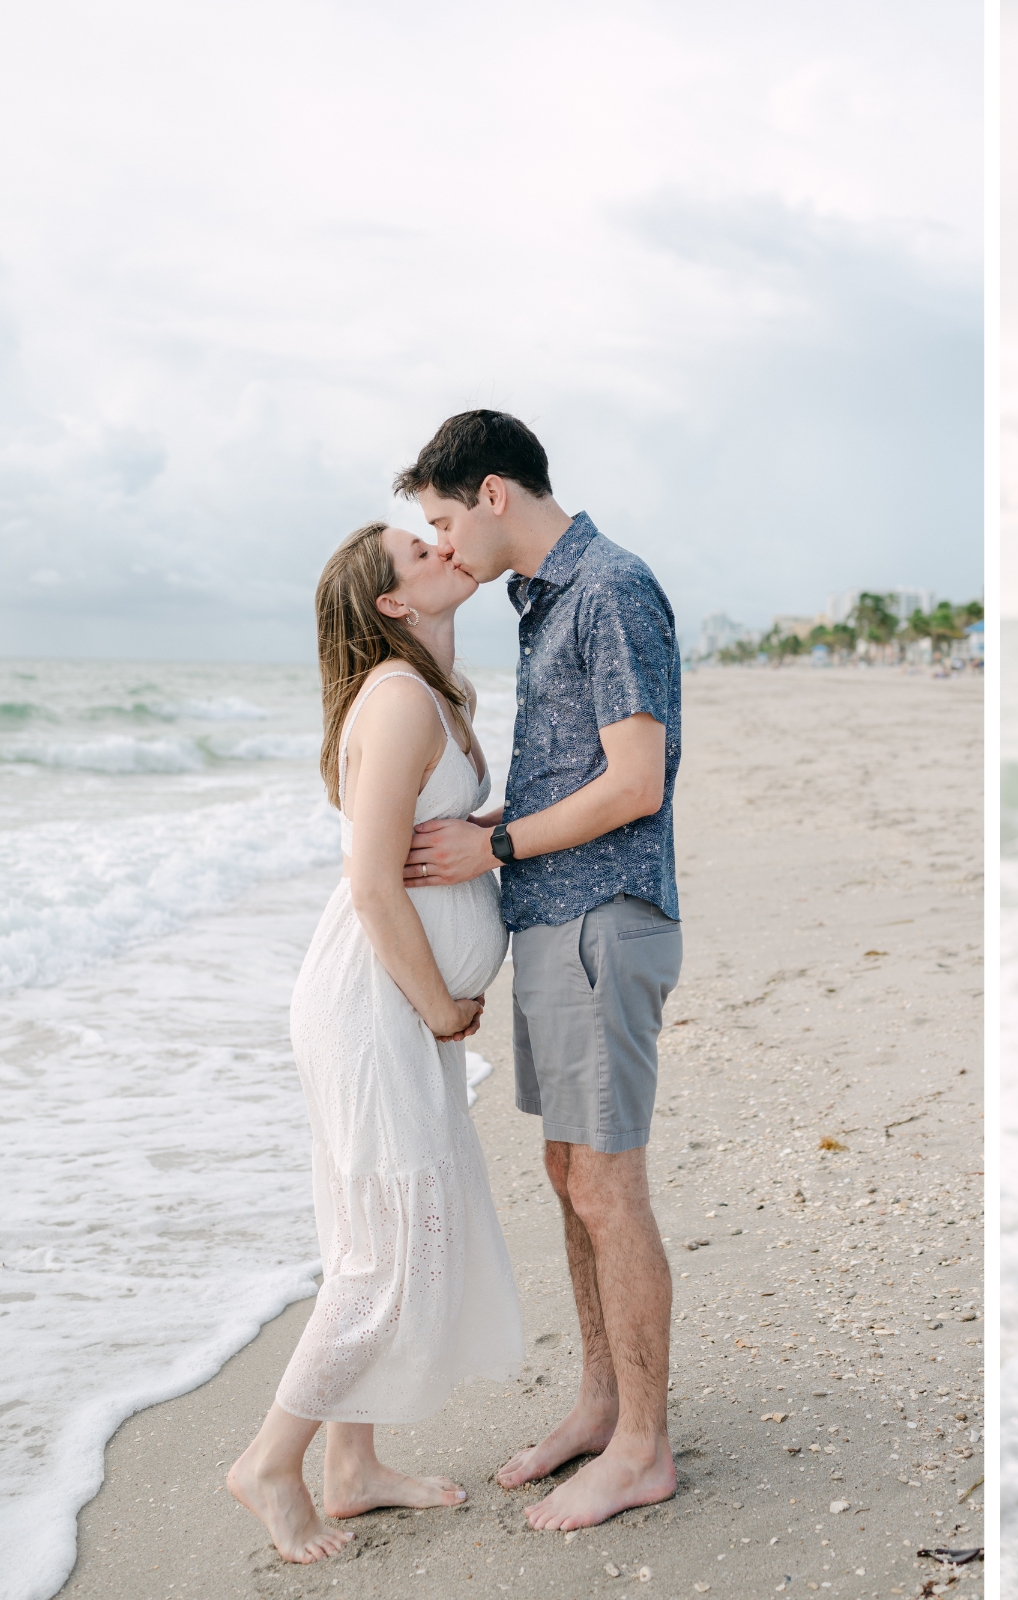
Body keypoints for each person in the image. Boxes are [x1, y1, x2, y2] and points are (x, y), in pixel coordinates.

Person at [394, 411, 684, 1533]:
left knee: (607, 1186)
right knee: (571, 1176)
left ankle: (645, 1449)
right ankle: (602, 1407)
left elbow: (636, 781)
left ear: (495, 493)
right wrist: (506, 824)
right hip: (560, 919)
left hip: (601, 923)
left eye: (442, 519)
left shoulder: (608, 586)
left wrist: (493, 845)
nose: (442, 544)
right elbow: (578, 769)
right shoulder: (543, 598)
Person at [228, 521, 520, 1564]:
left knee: (374, 1232)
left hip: (397, 1003)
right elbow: (368, 883)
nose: (446, 549)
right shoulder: (398, 700)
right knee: (389, 1250)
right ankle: (271, 1462)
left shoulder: (431, 693)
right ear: (392, 604)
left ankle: (351, 1468)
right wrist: (442, 1005)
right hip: (378, 1003)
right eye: (419, 551)